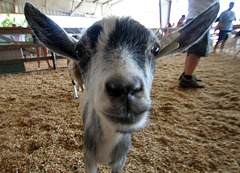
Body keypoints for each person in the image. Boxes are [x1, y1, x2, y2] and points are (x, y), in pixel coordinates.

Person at [179, 0, 219, 88]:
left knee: (192, 48)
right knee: (197, 50)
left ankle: (186, 73)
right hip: (202, 16)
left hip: (193, 16)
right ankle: (187, 78)